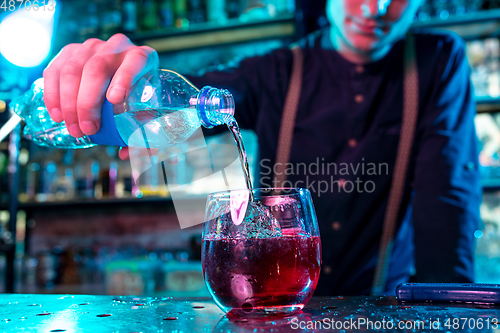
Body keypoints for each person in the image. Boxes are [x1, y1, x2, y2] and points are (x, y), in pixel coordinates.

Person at [42, 0, 481, 295]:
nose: (375, 8)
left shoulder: (437, 61)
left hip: (383, 305)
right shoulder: (275, 69)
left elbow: (449, 197)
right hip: (279, 306)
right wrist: (128, 81)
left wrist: (452, 307)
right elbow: (192, 104)